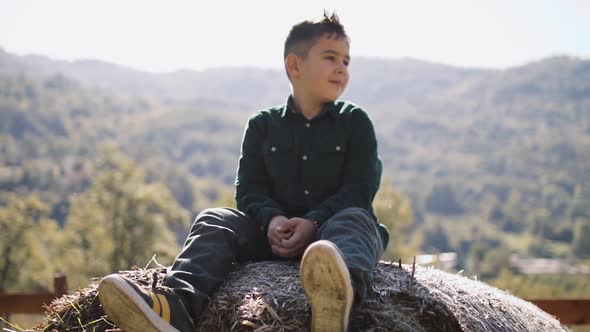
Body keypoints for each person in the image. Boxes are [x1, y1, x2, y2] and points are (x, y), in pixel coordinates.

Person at [98, 11, 389, 332]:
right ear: (295, 66)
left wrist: (314, 221)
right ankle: (174, 306)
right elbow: (249, 190)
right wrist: (272, 219)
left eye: (346, 61)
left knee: (354, 218)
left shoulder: (354, 121)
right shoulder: (262, 125)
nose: (341, 68)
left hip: (333, 239)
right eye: (331, 57)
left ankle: (337, 304)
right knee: (214, 218)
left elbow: (359, 190)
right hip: (272, 238)